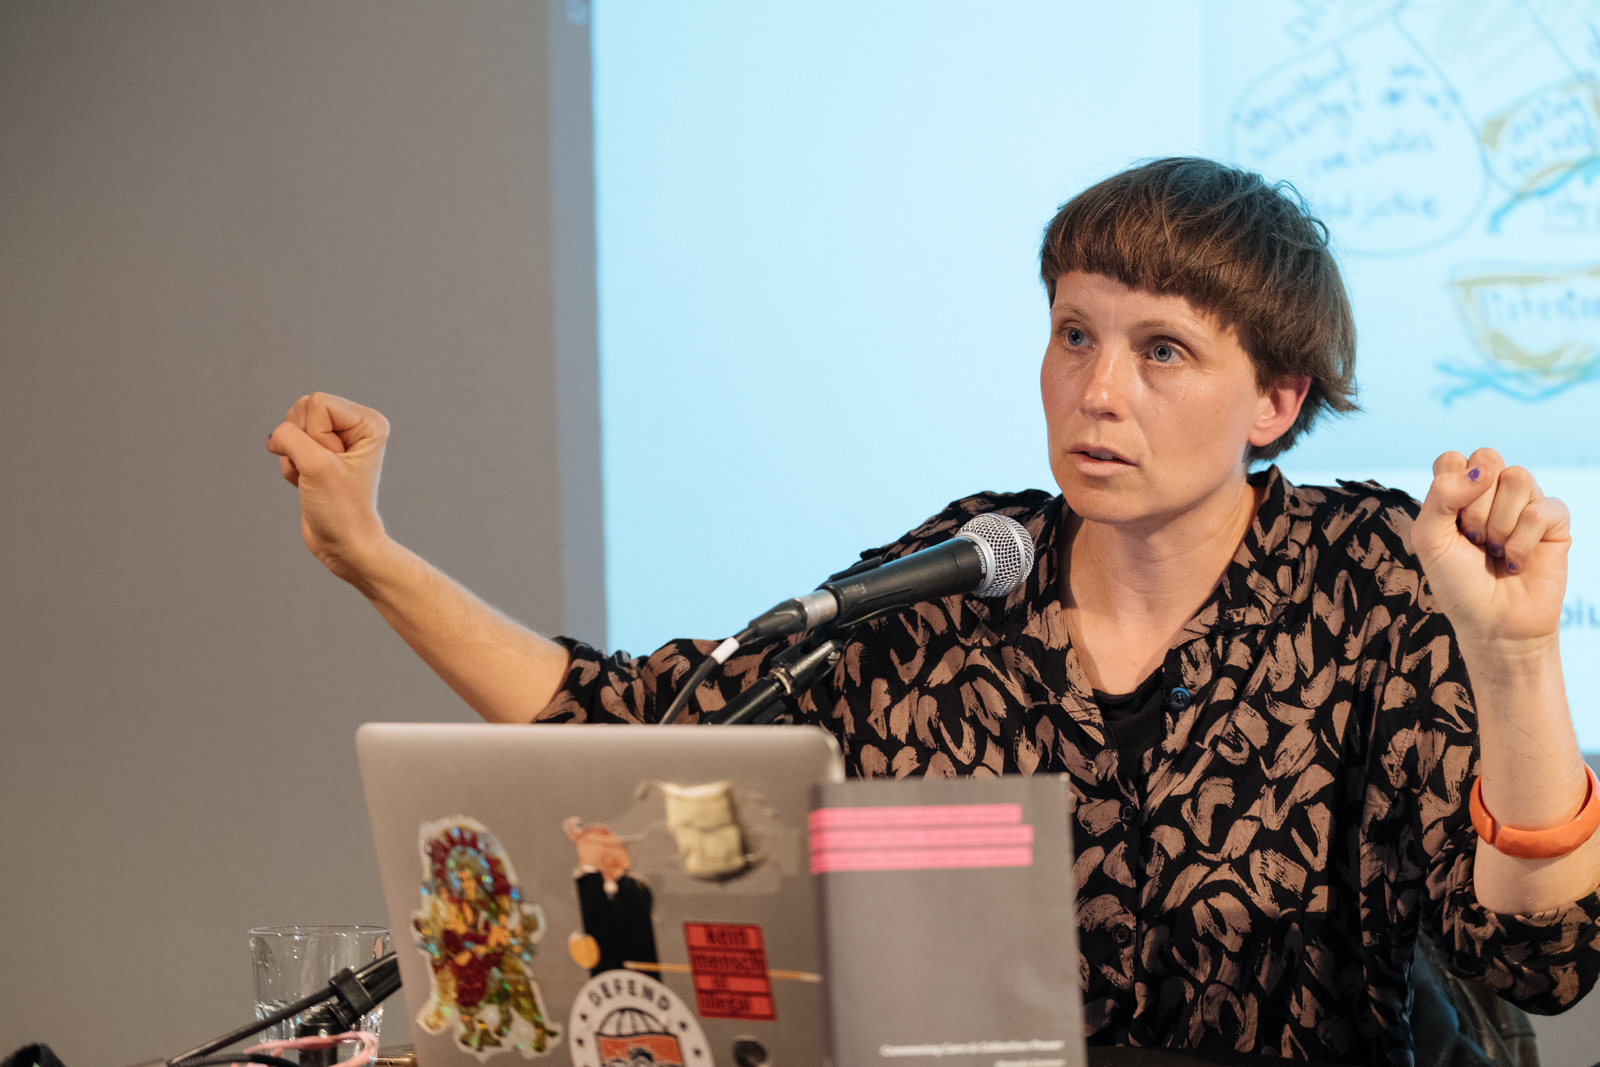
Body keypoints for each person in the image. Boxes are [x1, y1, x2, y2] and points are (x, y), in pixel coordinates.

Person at [267, 158, 1600, 1061]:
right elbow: (623, 729)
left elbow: (1539, 962)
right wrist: (370, 554)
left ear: (1276, 400)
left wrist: (1518, 655)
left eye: (1162, 350)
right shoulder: (970, 571)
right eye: (1074, 333)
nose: (1097, 390)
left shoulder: (1374, 577)